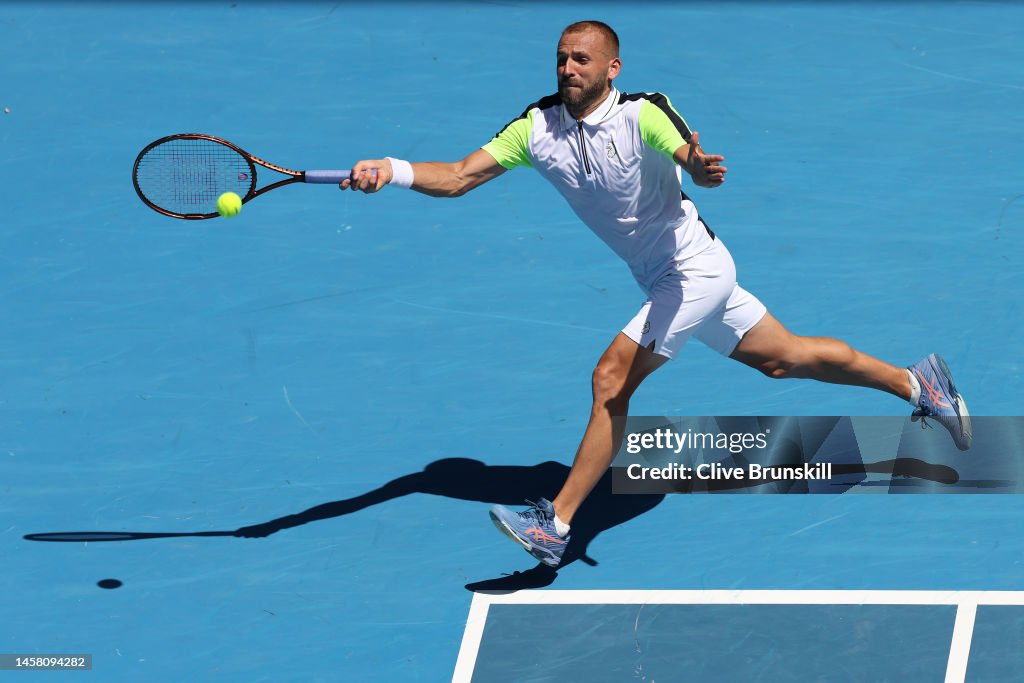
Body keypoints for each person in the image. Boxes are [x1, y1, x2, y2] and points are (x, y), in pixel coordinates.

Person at [339, 20, 971, 568]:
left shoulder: (642, 112)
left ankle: (554, 524)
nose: (567, 68)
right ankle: (919, 384)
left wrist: (697, 168)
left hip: (694, 269)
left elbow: (684, 150)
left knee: (611, 378)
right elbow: (455, 177)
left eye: (580, 58)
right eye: (561, 58)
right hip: (664, 277)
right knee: (785, 359)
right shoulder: (536, 129)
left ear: (612, 68)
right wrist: (388, 171)